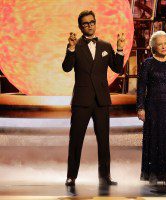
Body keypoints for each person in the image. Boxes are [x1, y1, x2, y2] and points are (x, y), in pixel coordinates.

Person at [62, 10, 126, 187]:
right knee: (76, 140)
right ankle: (71, 176)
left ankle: (105, 177)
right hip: (82, 100)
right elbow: (66, 68)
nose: (89, 25)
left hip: (101, 100)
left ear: (95, 23)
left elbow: (117, 68)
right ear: (80, 27)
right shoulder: (76, 45)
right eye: (85, 23)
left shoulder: (105, 45)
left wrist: (120, 48)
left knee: (103, 141)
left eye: (92, 22)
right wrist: (71, 48)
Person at [136, 31, 166, 188]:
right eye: (160, 44)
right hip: (152, 108)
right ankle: (153, 174)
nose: (164, 46)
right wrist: (140, 107)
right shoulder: (147, 63)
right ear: (153, 47)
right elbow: (141, 88)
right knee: (153, 140)